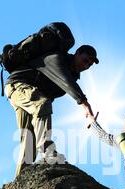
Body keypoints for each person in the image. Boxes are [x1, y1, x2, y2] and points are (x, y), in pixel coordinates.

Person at [5, 45, 99, 178]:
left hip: (27, 94)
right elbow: (65, 80)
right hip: (18, 85)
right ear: (77, 53)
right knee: (42, 103)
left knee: (29, 143)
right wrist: (85, 105)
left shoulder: (72, 75)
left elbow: (54, 91)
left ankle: (19, 183)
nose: (86, 66)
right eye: (85, 60)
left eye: (89, 64)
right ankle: (48, 151)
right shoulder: (56, 58)